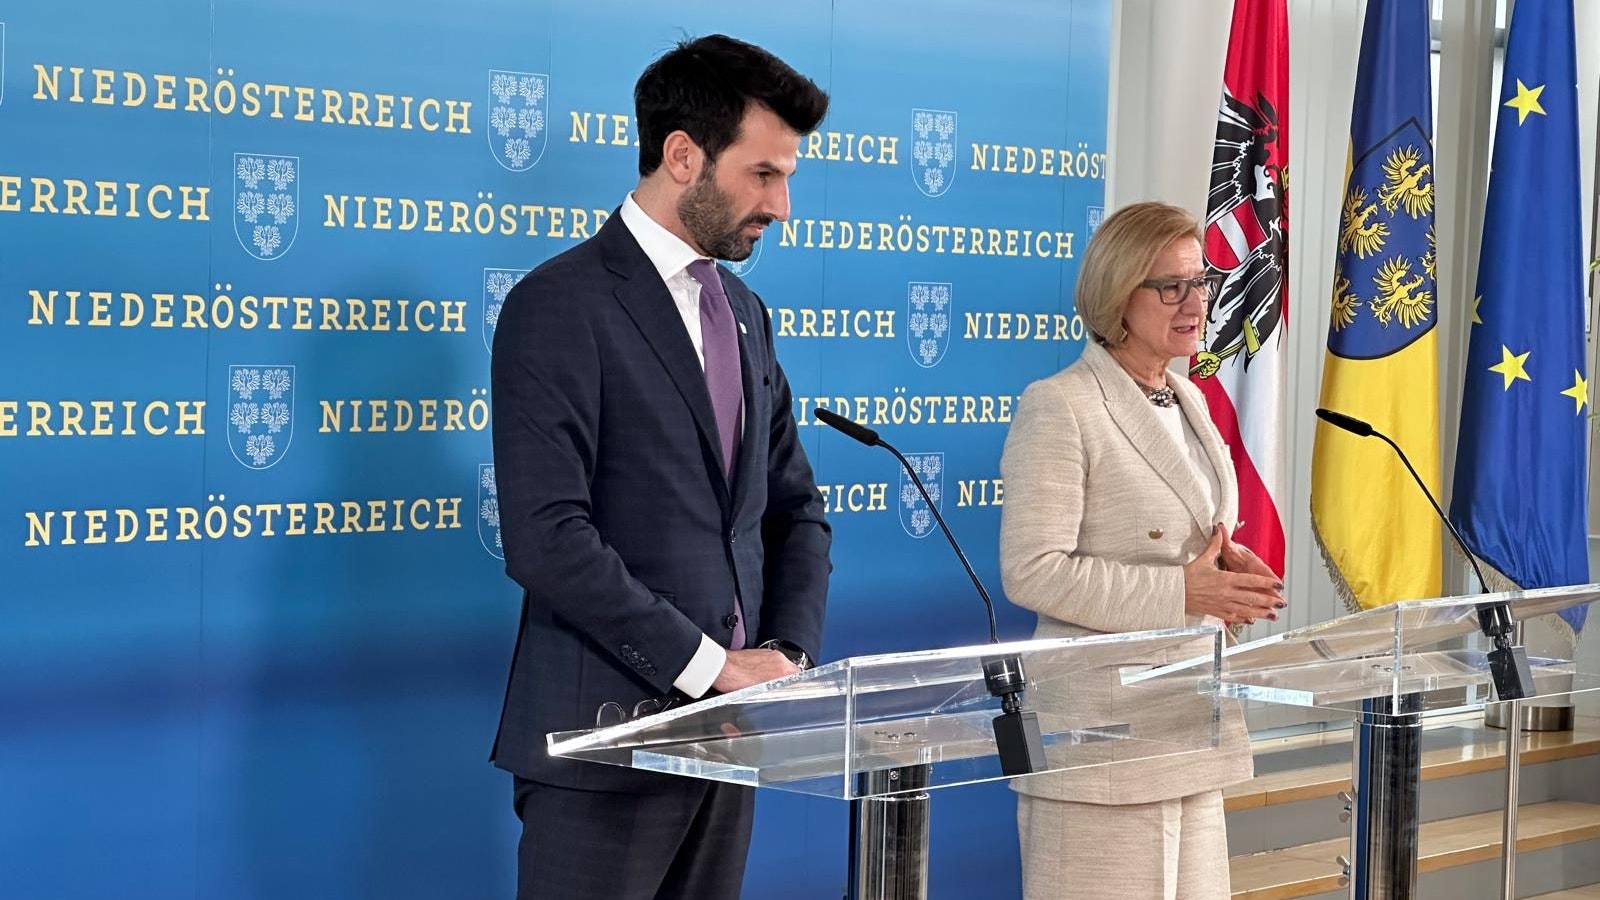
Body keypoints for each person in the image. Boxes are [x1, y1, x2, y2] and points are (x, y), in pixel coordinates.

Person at [488, 34, 833, 900]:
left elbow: (793, 510)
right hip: (603, 751)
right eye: (763, 174)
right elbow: (545, 537)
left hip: (726, 747)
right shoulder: (558, 305)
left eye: (786, 177)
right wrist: (713, 664)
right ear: (683, 156)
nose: (782, 205)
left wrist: (784, 655)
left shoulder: (746, 314)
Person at [998, 201, 1284, 900]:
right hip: (1102, 745)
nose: (1195, 302)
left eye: (1202, 280)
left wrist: (1229, 580)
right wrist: (1181, 593)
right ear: (1118, 295)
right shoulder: (1061, 404)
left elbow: (1193, 547)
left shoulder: (1190, 399)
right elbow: (1031, 570)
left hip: (1193, 723)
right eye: (1171, 286)